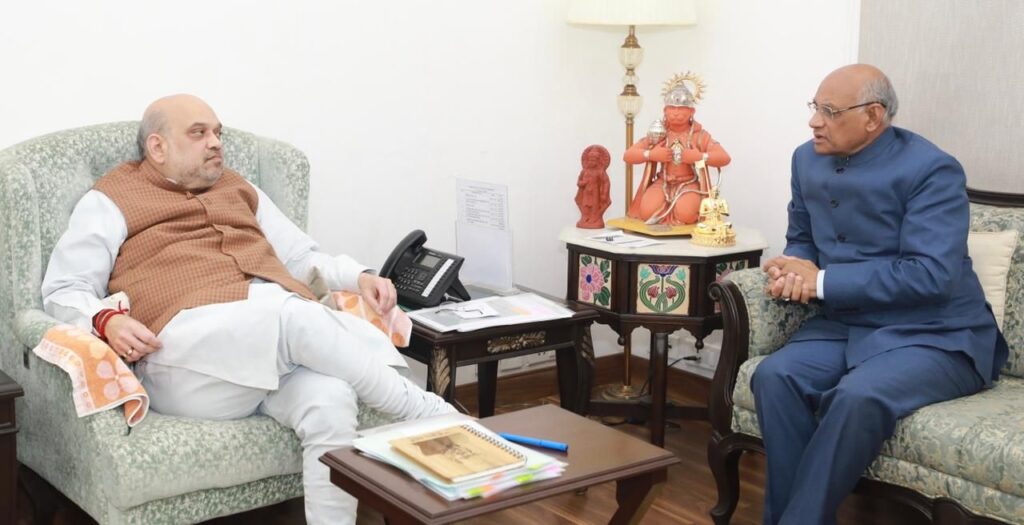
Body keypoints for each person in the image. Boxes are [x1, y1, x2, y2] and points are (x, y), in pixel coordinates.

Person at [41, 94, 456, 525]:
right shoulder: (111, 198)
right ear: (157, 147)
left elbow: (299, 257)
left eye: (217, 133)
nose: (215, 142)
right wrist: (107, 320)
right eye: (199, 133)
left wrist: (359, 277)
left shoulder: (239, 188)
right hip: (181, 356)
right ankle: (422, 411)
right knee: (292, 313)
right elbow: (64, 288)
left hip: (262, 354)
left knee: (330, 400)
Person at [754, 64, 1008, 525]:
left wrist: (821, 282)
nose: (814, 121)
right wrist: (794, 268)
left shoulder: (931, 169)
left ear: (873, 116)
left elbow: (931, 275)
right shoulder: (805, 159)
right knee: (775, 376)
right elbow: (802, 236)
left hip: (936, 334)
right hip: (846, 324)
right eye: (815, 107)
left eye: (830, 112)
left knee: (857, 396)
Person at [624, 72, 730, 225]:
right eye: (672, 109)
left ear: (691, 112)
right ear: (665, 110)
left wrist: (700, 157)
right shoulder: (659, 133)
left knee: (686, 214)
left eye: (681, 109)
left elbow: (724, 158)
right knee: (647, 212)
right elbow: (628, 155)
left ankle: (677, 213)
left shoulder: (699, 135)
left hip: (688, 183)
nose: (676, 114)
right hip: (663, 182)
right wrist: (650, 154)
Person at [574, 144, 612, 228]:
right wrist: (582, 183)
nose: (591, 162)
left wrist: (604, 193)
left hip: (595, 193)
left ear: (598, 161)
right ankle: (585, 217)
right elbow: (579, 181)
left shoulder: (600, 172)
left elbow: (606, 182)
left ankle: (594, 218)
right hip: (585, 193)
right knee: (585, 205)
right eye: (590, 160)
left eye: (593, 160)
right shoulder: (584, 171)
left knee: (594, 206)